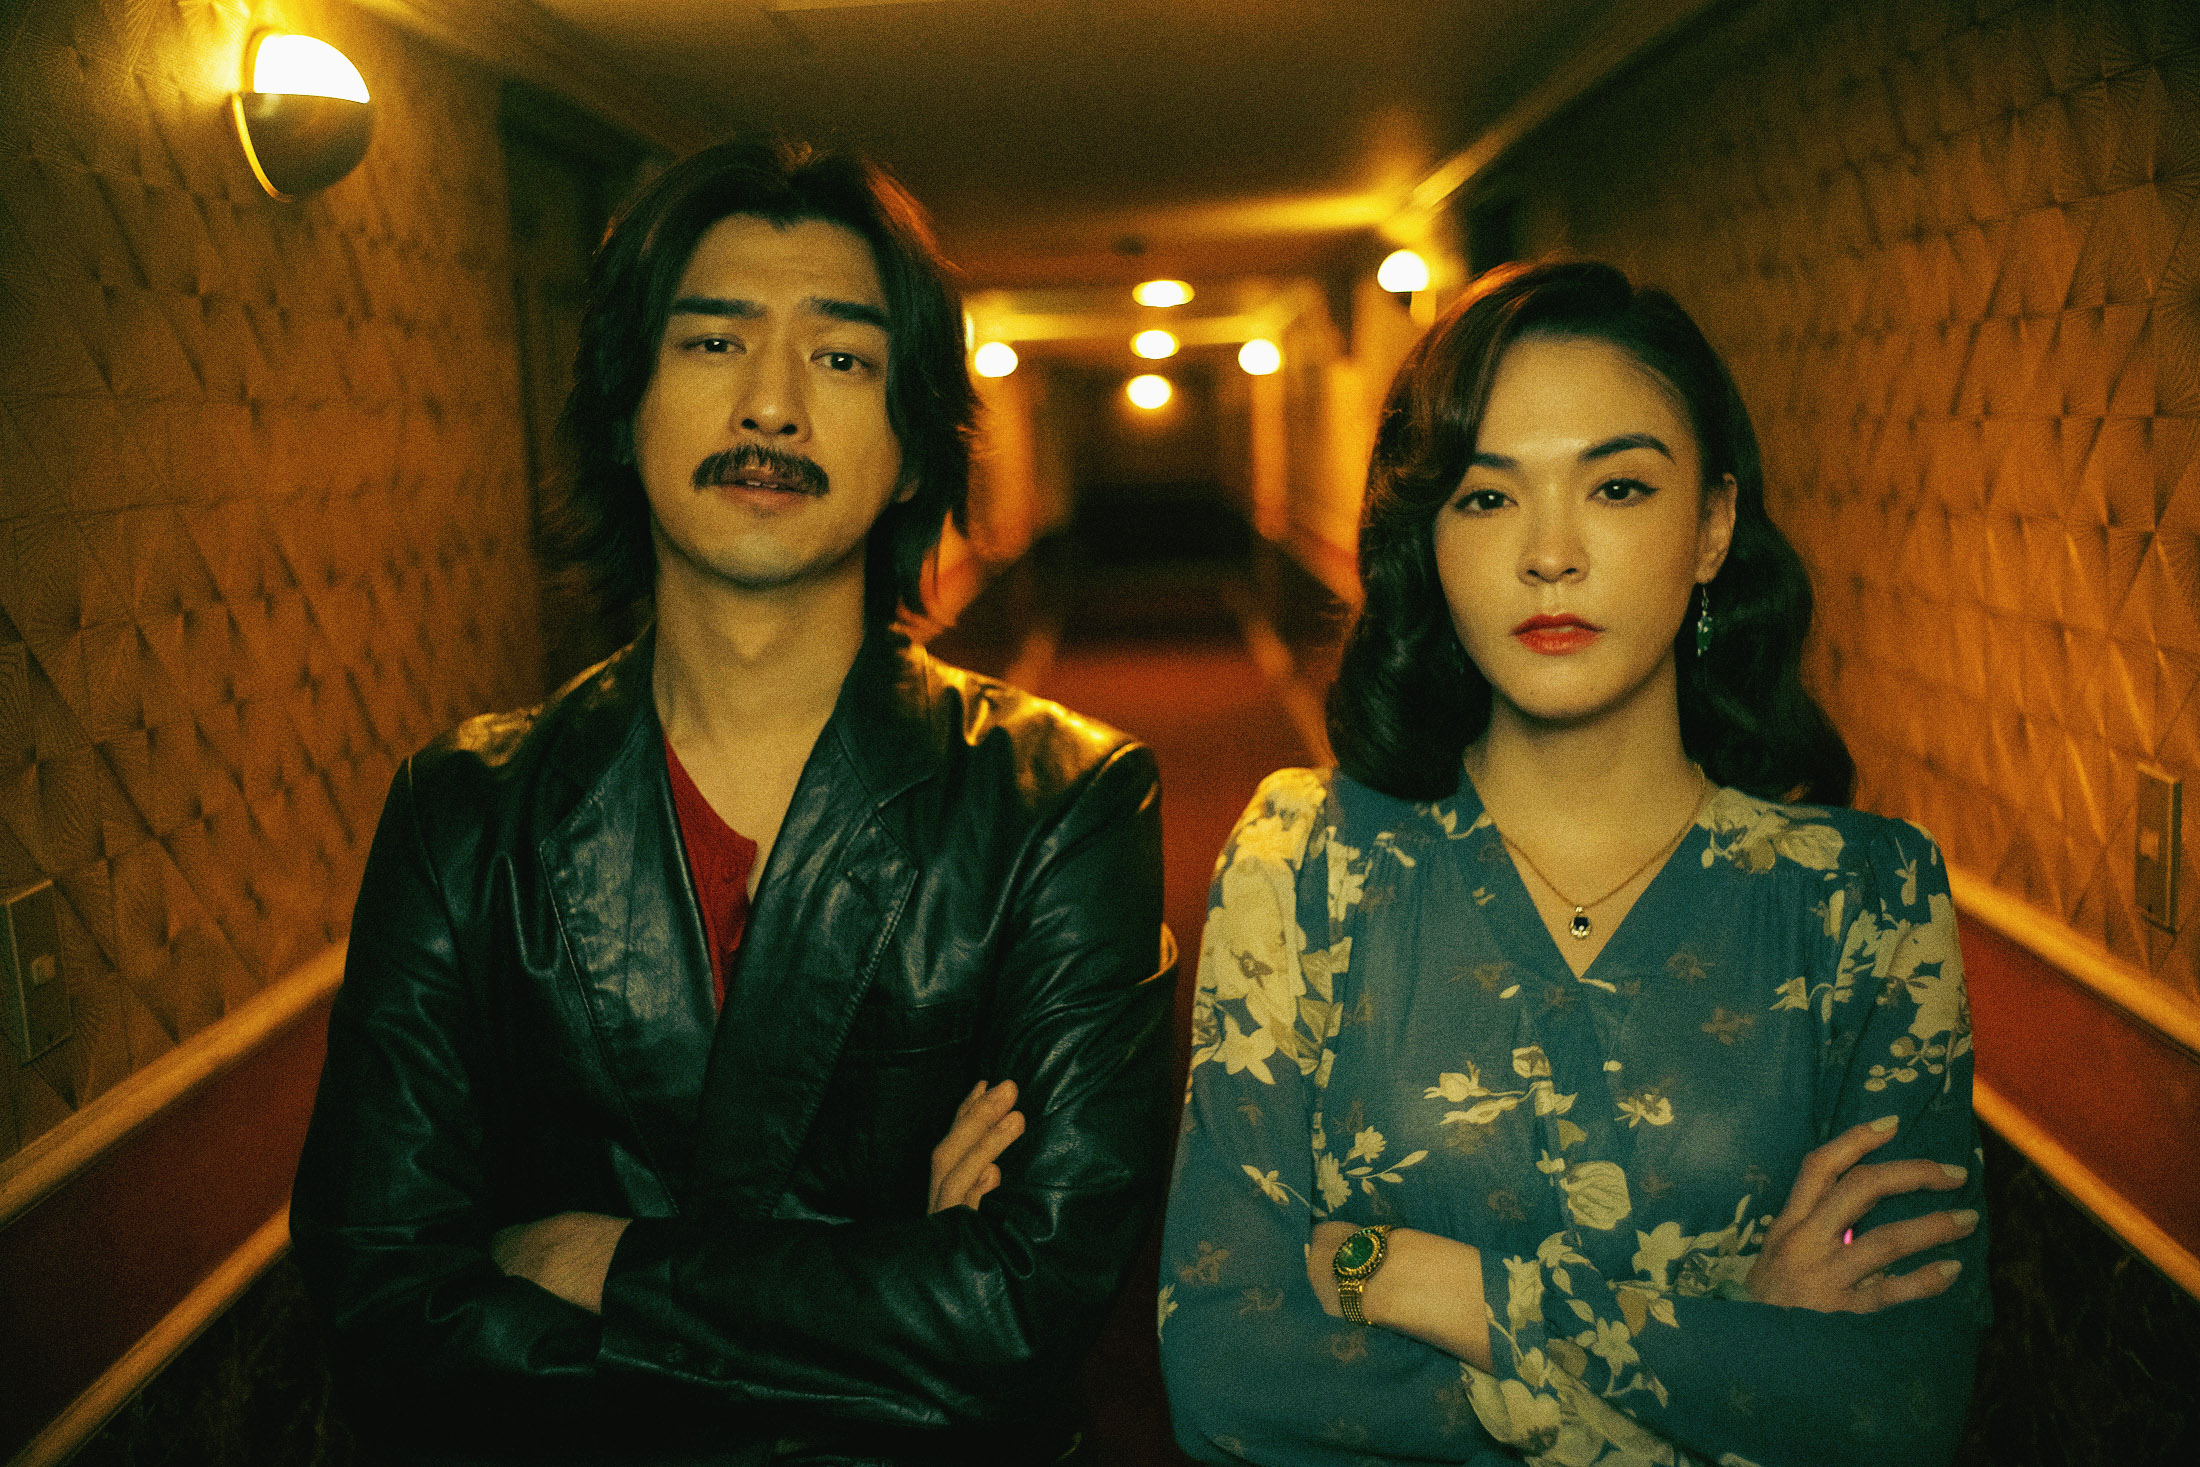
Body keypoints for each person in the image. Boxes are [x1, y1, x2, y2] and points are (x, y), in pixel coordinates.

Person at [292, 137, 1176, 1466]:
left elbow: (1024, 1310)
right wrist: (889, 1281)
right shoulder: (467, 813)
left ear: (915, 447)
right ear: (623, 408)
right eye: (713, 343)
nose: (772, 406)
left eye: (842, 359)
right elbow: (382, 1306)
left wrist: (599, 1262)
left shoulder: (1060, 804)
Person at [1158, 260, 1986, 1466]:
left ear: (1711, 526)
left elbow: (1894, 1406)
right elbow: (1227, 1372)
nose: (1550, 554)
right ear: (1430, 541)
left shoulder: (1862, 898)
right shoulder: (1308, 859)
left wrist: (1428, 1281)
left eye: (1617, 486)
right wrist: (1730, 1351)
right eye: (1487, 498)